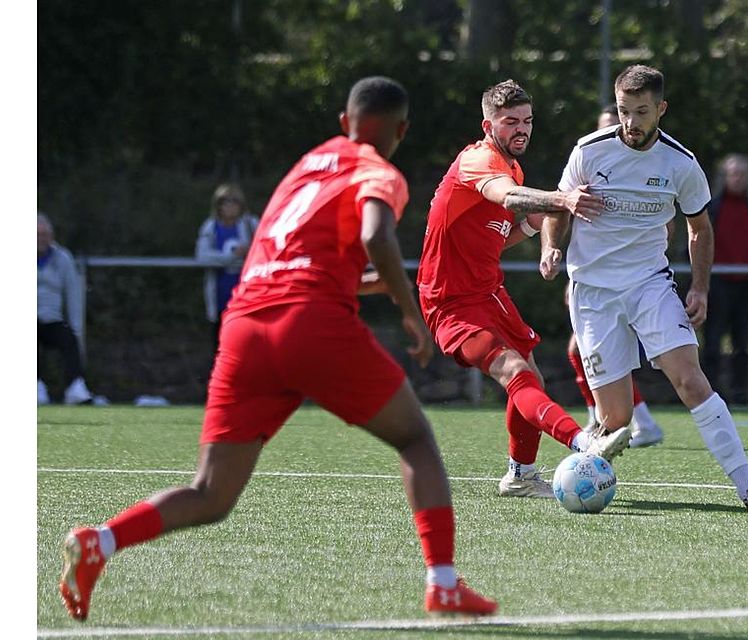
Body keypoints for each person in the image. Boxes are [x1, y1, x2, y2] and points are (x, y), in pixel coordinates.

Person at [58, 76, 497, 622]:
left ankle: (101, 541)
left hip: (246, 325)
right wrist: (410, 312)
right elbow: (375, 236)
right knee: (414, 439)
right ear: (402, 131)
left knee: (211, 492)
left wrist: (366, 285)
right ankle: (444, 584)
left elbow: (290, 261)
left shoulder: (305, 167)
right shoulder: (379, 170)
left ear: (344, 122)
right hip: (309, 324)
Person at [540, 64, 748, 514]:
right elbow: (558, 205)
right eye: (624, 111)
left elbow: (699, 229)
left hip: (648, 285)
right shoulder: (589, 152)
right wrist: (552, 247)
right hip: (592, 292)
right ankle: (588, 464)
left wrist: (701, 289)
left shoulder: (680, 163)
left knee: (691, 381)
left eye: (641, 112)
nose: (631, 123)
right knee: (616, 421)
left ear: (661, 109)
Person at [416, 79, 632, 500]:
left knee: (529, 376)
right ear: (488, 125)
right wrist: (559, 200)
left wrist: (546, 234)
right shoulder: (478, 162)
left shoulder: (514, 167)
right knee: (514, 372)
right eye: (510, 121)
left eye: (528, 121)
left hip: (488, 291)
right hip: (449, 301)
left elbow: (501, 231)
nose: (522, 129)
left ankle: (520, 476)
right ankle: (584, 444)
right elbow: (509, 197)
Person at [564, 105, 664, 447]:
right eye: (612, 123)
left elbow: (665, 220)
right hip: (595, 280)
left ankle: (628, 421)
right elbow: (573, 218)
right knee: (582, 351)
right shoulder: (591, 156)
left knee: (605, 354)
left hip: (634, 280)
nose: (624, 128)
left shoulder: (650, 165)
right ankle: (607, 418)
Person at [702, 154, 748, 404]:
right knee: (712, 342)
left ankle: (740, 392)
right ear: (724, 177)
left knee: (742, 344)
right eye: (733, 174)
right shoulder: (711, 208)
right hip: (717, 284)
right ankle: (708, 394)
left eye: (742, 174)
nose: (737, 179)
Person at [195, 183, 259, 357]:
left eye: (234, 201)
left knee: (248, 343)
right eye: (225, 201)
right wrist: (232, 256)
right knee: (219, 346)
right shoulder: (210, 227)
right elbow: (202, 256)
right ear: (218, 205)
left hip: (247, 296)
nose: (230, 206)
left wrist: (249, 251)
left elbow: (264, 250)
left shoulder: (251, 224)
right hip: (219, 296)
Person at [37, 213, 94, 405]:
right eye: (36, 235)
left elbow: (73, 295)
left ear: (51, 236)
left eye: (44, 234)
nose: (40, 239)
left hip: (52, 319)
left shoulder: (63, 259)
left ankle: (75, 387)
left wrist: (76, 329)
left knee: (69, 339)